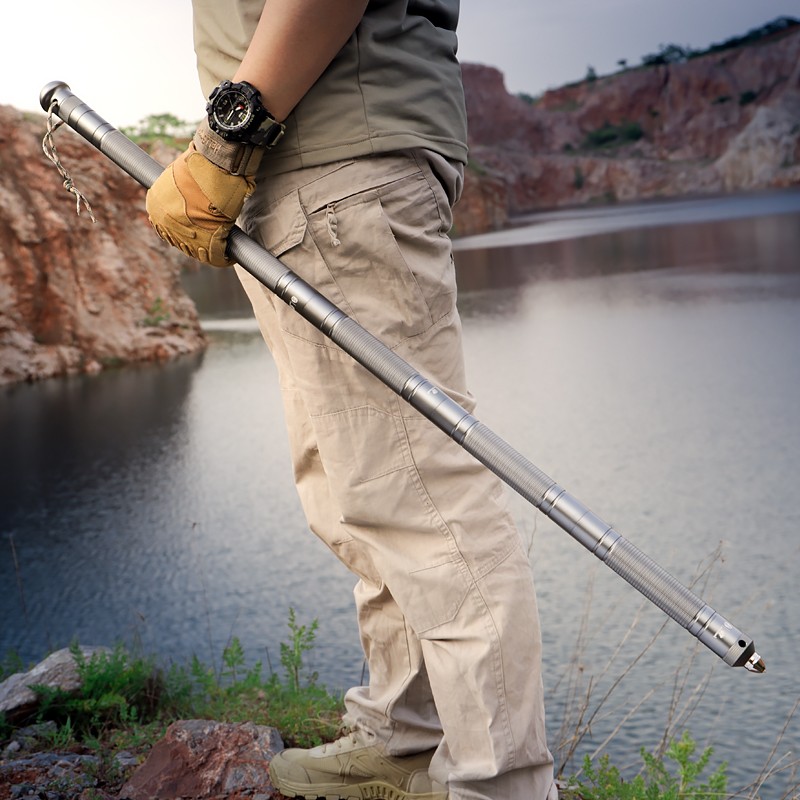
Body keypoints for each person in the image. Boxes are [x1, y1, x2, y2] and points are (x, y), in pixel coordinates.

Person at [145, 2, 558, 798]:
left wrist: (225, 138)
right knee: (355, 490)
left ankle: (498, 783)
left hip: (331, 161)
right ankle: (409, 737)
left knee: (423, 501)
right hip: (304, 169)